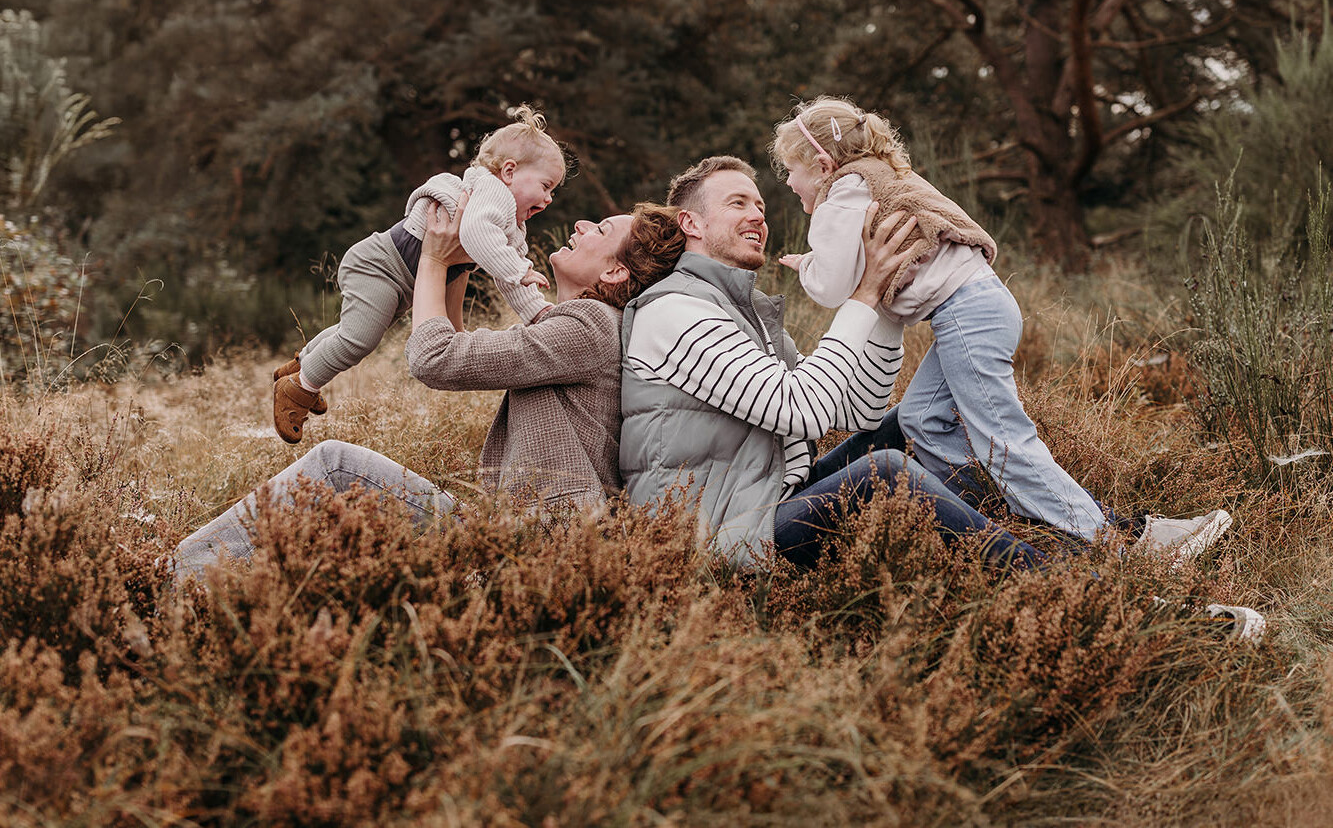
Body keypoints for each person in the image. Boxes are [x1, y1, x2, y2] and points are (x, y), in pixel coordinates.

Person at [770, 96, 1231, 558]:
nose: (788, 182)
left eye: (791, 170)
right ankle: (1003, 517)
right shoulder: (878, 178)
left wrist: (807, 264)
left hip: (968, 312)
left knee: (1002, 440)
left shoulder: (841, 197)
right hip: (978, 305)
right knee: (919, 420)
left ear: (823, 164)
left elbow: (832, 288)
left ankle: (1115, 546)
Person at [176, 194, 687, 579]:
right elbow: (461, 349)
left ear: (617, 271)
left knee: (335, 466)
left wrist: (433, 259)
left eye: (600, 228)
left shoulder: (590, 327)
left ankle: (165, 583)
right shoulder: (577, 326)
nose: (580, 224)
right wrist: (460, 260)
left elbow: (434, 357)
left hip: (540, 545)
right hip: (525, 539)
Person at [620, 155, 1048, 571]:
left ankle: (1053, 518)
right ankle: (1048, 571)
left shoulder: (747, 313)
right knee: (884, 470)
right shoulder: (676, 310)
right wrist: (861, 296)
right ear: (691, 223)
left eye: (760, 206)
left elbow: (859, 411)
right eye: (738, 203)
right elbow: (799, 411)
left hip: (768, 496)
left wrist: (883, 298)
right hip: (712, 532)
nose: (757, 216)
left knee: (907, 422)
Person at [272, 105, 565, 444]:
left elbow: (507, 275)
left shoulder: (510, 221)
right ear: (510, 171)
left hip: (397, 276)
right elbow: (478, 235)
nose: (549, 198)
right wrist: (521, 270)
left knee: (351, 332)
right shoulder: (492, 193)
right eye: (545, 185)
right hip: (380, 266)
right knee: (359, 339)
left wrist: (537, 311)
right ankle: (298, 390)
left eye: (553, 190)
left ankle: (301, 366)